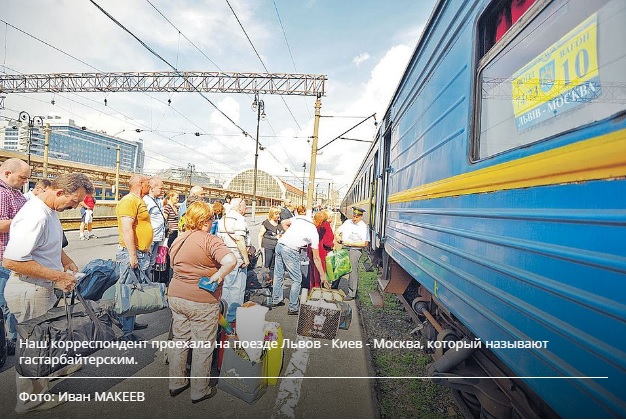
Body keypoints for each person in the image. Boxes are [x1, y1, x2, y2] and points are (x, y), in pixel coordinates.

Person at [3, 172, 93, 413]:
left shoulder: (50, 210)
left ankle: (47, 377)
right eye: (74, 202)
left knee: (43, 341)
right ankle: (29, 399)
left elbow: (47, 245)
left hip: (38, 287)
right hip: (29, 288)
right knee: (33, 347)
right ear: (60, 192)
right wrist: (59, 276)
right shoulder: (35, 216)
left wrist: (66, 262)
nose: (75, 207)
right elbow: (11, 261)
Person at [167, 201, 237, 403]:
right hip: (201, 300)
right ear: (206, 220)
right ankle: (199, 389)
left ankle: (176, 382)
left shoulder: (178, 239)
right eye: (211, 218)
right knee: (203, 345)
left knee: (180, 339)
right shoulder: (210, 240)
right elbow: (230, 261)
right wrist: (217, 276)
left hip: (177, 296)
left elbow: (174, 265)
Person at [115, 174, 152, 341]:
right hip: (131, 253)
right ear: (140, 183)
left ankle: (130, 323)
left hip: (140, 252)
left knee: (136, 291)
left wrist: (147, 247)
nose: (149, 187)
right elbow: (127, 229)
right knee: (128, 292)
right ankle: (125, 332)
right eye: (148, 184)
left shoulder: (139, 200)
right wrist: (132, 254)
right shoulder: (129, 201)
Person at [0, 158, 30, 358]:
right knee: (5, 304)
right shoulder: (1, 193)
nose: (25, 182)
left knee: (12, 303)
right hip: (3, 257)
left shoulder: (17, 194)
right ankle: (7, 342)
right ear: (7, 173)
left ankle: (11, 340)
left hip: (17, 257)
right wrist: (24, 220)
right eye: (22, 177)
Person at [272, 209, 328, 315]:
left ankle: (276, 300)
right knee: (297, 279)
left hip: (280, 245)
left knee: (278, 275)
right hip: (290, 250)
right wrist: (322, 274)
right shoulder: (313, 233)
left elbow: (284, 223)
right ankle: (293, 307)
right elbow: (316, 258)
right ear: (321, 223)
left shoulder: (302, 218)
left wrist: (290, 235)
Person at [216, 197, 249, 320]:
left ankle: (222, 314)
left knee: (226, 286)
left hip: (225, 256)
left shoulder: (223, 219)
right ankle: (232, 317)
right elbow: (240, 239)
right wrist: (245, 258)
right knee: (237, 287)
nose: (246, 209)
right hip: (237, 257)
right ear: (240, 207)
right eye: (245, 206)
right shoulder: (239, 219)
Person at [336, 206, 370, 300]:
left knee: (352, 270)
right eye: (354, 216)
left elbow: (365, 243)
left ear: (361, 217)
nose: (355, 218)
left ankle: (352, 293)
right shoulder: (347, 222)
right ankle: (334, 287)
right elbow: (338, 231)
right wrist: (337, 237)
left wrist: (351, 243)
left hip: (355, 249)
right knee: (338, 266)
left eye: (357, 217)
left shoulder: (364, 227)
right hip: (345, 247)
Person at [143, 177, 166, 281]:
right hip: (150, 237)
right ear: (152, 188)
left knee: (152, 262)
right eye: (160, 188)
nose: (162, 190)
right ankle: (145, 282)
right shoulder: (146, 200)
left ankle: (149, 283)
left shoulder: (158, 201)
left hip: (158, 236)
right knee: (146, 262)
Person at [308, 209, 334, 289]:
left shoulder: (313, 223)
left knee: (312, 273)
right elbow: (327, 241)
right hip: (321, 251)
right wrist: (332, 245)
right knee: (319, 273)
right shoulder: (326, 225)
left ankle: (312, 290)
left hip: (311, 249)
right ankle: (318, 291)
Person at [257, 206, 284, 278]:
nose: (278, 216)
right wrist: (260, 247)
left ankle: (272, 281)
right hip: (267, 247)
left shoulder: (281, 223)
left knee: (274, 265)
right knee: (266, 265)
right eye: (276, 214)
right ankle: (265, 280)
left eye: (279, 214)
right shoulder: (266, 223)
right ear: (271, 214)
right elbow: (260, 235)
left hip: (278, 247)